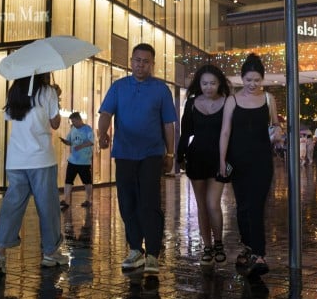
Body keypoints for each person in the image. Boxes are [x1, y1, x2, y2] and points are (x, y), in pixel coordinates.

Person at [97, 44, 177, 276]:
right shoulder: (119, 87)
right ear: (130, 61)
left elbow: (168, 124)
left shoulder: (161, 89)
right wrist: (102, 134)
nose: (141, 65)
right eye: (137, 60)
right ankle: (135, 249)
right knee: (127, 202)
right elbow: (105, 114)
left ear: (152, 64)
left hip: (152, 153)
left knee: (149, 202)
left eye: (146, 61)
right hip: (124, 153)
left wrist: (170, 153)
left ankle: (152, 253)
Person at [0, 74, 68, 275]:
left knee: (12, 206)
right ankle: (50, 253)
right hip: (41, 158)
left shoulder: (14, 91)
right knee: (47, 207)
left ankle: (0, 254)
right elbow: (56, 123)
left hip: (16, 159)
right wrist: (55, 98)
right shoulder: (47, 91)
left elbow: (12, 117)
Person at [219, 53, 280, 277]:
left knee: (256, 205)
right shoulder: (232, 100)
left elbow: (275, 125)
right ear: (241, 78)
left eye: (257, 80)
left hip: (262, 160)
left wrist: (278, 132)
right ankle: (247, 246)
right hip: (238, 160)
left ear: (262, 79)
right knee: (243, 206)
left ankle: (259, 254)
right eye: (248, 80)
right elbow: (225, 132)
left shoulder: (268, 99)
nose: (252, 84)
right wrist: (222, 161)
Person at [176, 64, 232, 266]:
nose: (209, 87)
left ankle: (218, 243)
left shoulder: (228, 102)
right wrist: (179, 157)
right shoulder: (191, 104)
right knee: (201, 205)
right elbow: (185, 133)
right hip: (196, 157)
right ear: (199, 84)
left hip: (219, 159)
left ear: (220, 84)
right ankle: (206, 246)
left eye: (213, 83)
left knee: (212, 203)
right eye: (205, 83)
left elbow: (231, 134)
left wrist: (229, 160)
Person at [60, 111, 94, 209]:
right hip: (73, 160)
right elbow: (70, 142)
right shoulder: (73, 129)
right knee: (68, 181)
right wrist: (65, 142)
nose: (73, 123)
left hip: (84, 161)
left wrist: (81, 146)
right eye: (72, 122)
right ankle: (66, 200)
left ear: (79, 120)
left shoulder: (88, 129)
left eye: (74, 121)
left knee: (87, 181)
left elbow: (91, 142)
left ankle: (88, 199)